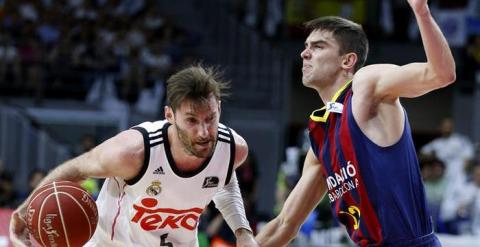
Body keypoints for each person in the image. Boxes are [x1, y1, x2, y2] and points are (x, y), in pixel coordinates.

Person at [256, 0, 456, 246]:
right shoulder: (320, 137)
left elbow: (441, 74)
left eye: (318, 47)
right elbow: (284, 225)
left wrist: (421, 11)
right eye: (306, 46)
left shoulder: (365, 86)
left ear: (347, 60)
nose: (304, 53)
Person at [10, 65, 258, 247]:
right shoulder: (133, 152)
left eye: (210, 118)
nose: (204, 131)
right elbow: (76, 168)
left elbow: (223, 181)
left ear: (219, 109)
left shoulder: (233, 149)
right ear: (169, 116)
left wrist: (242, 231)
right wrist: (24, 210)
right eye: (192, 120)